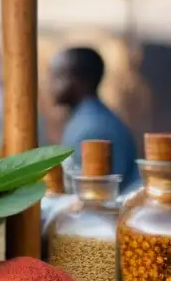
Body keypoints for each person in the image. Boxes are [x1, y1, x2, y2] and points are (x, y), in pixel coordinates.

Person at [48, 46, 140, 189]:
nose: (49, 85)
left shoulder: (93, 128)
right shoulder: (85, 119)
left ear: (75, 79)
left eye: (56, 76)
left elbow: (98, 196)